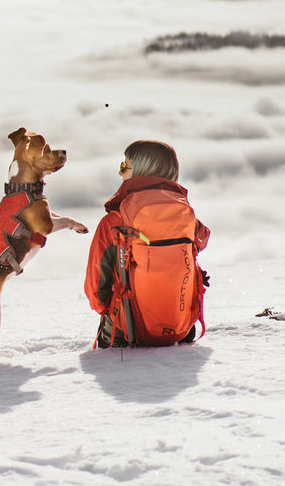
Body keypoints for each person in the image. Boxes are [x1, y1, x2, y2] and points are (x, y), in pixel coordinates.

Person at [84, 139, 210, 348]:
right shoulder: (185, 215)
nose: (121, 172)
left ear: (142, 171)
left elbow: (96, 290)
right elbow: (203, 238)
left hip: (126, 333)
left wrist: (112, 309)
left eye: (125, 167)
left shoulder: (114, 221)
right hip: (183, 329)